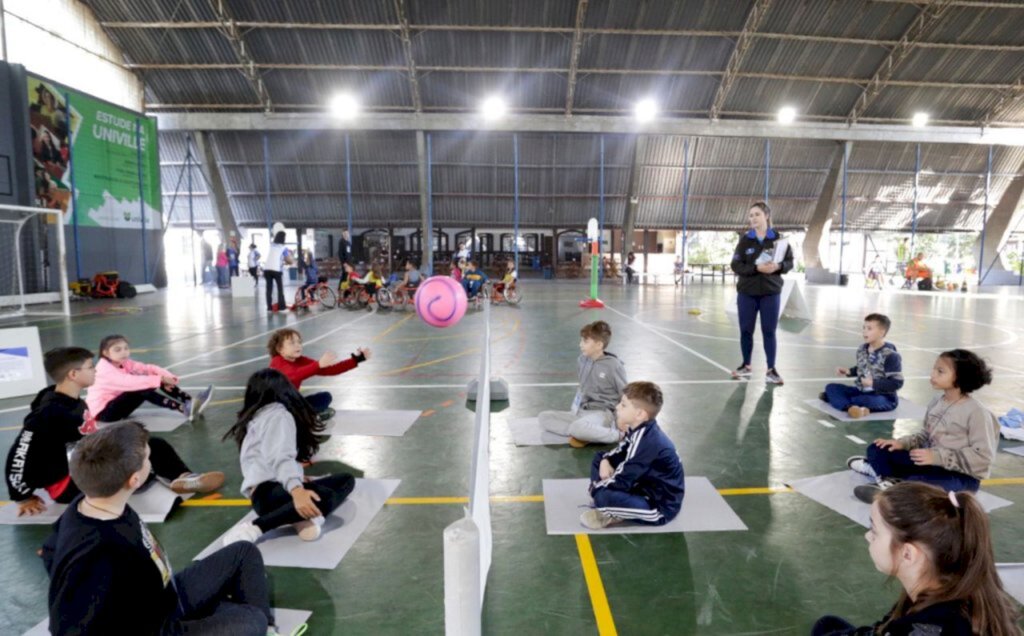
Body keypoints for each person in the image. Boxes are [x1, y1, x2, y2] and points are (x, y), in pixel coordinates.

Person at [42, 422, 275, 634]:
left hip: (167, 597)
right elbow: (69, 626)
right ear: (134, 479)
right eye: (147, 459)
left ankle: (256, 625)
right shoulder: (101, 550)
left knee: (244, 552)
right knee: (251, 619)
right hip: (156, 629)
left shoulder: (84, 504)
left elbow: (49, 551)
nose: (151, 462)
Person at [5, 348, 224, 518]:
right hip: (71, 483)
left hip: (88, 461)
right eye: (90, 367)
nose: (95, 371)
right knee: (133, 464)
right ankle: (147, 477)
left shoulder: (71, 400)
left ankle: (184, 478)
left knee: (153, 444)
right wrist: (21, 497)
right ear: (73, 374)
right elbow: (19, 456)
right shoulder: (48, 413)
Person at [811, 482, 1021, 636]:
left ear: (908, 553)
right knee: (827, 625)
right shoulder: (951, 585)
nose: (868, 536)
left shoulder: (928, 624)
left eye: (874, 530)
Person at [221, 369, 356, 546]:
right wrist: (297, 490)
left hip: (268, 494)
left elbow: (266, 460)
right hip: (269, 494)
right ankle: (256, 527)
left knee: (345, 480)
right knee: (325, 496)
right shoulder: (279, 415)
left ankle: (298, 516)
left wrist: (297, 479)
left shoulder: (257, 417)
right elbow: (281, 457)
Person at [848, 349, 998, 503]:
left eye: (940, 371)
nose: (933, 374)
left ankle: (890, 483)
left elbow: (983, 458)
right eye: (934, 369)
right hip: (930, 463)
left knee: (920, 481)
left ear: (961, 377)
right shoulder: (936, 401)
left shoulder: (977, 412)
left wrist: (937, 457)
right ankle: (890, 481)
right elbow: (926, 435)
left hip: (961, 477)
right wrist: (902, 443)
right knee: (877, 449)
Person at [581, 381, 685, 529]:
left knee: (602, 497)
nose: (617, 407)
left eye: (623, 405)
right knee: (600, 458)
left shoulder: (648, 443)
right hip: (642, 485)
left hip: (659, 506)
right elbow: (618, 453)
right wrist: (605, 461)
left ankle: (610, 511)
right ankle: (613, 506)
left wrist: (596, 488)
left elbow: (623, 480)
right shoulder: (638, 429)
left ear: (640, 414)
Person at [729, 201, 794, 385]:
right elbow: (736, 265)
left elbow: (790, 263)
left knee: (769, 331)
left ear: (766, 215)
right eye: (750, 216)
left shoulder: (779, 240)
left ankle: (771, 369)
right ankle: (746, 366)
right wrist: (756, 268)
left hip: (770, 293)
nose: (753, 218)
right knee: (746, 331)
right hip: (747, 293)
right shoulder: (744, 240)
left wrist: (778, 266)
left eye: (756, 214)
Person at [87, 335, 213, 424]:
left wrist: (168, 376)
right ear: (105, 353)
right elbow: (130, 382)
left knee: (153, 379)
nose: (124, 352)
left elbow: (147, 368)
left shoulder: (123, 362)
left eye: (126, 348)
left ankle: (191, 402)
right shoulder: (104, 370)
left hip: (117, 405)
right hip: (104, 413)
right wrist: (159, 379)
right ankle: (184, 409)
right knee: (143, 386)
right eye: (118, 350)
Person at [539, 321, 627, 447]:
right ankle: (587, 433)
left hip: (603, 413)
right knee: (544, 417)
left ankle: (616, 435)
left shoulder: (614, 365)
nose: (580, 345)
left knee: (577, 427)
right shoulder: (582, 360)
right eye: (581, 341)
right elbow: (582, 387)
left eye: (585, 342)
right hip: (582, 411)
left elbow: (625, 394)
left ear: (599, 345)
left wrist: (621, 420)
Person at [267, 328, 371, 422]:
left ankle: (302, 417)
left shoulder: (300, 360)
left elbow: (331, 370)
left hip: (292, 404)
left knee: (325, 397)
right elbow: (293, 375)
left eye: (299, 342)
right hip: (274, 409)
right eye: (292, 343)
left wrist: (356, 360)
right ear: (280, 349)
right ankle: (301, 418)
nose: (298, 345)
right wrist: (318, 364)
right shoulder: (277, 362)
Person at [820, 314, 904, 419]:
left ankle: (842, 402)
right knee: (831, 387)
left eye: (869, 329)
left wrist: (873, 383)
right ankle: (853, 408)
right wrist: (849, 371)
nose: (864, 331)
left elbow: (897, 383)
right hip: (861, 390)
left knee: (862, 400)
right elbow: (862, 368)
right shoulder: (862, 349)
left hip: (883, 396)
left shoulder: (891, 355)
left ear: (882, 332)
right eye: (864, 328)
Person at [264, 230, 292, 312]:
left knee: (269, 289)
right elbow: (289, 261)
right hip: (276, 270)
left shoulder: (272, 246)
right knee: (280, 288)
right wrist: (289, 261)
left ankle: (269, 308)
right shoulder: (283, 248)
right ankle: (282, 308)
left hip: (266, 269)